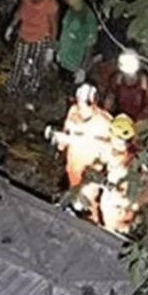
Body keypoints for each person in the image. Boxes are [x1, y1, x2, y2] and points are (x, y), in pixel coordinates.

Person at [46, 84, 112, 222]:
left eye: (87, 103)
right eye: (80, 102)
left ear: (94, 103)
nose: (83, 107)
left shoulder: (104, 122)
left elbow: (110, 149)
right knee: (73, 192)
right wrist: (61, 143)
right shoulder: (74, 111)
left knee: (88, 201)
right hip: (74, 163)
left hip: (91, 171)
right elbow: (67, 130)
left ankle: (92, 223)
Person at [4, 0, 60, 97]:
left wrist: (51, 47)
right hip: (24, 34)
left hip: (41, 37)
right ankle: (12, 86)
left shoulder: (51, 4)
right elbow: (20, 12)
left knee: (37, 65)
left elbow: (54, 25)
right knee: (18, 62)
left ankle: (32, 87)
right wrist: (11, 26)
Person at [101, 52, 148, 125]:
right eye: (126, 74)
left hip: (141, 122)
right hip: (121, 120)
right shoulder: (116, 80)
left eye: (131, 74)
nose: (129, 77)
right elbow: (109, 101)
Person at [56, 0, 99, 84]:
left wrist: (83, 69)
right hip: (62, 59)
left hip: (74, 64)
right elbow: (64, 32)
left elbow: (90, 46)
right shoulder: (70, 11)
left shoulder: (88, 18)